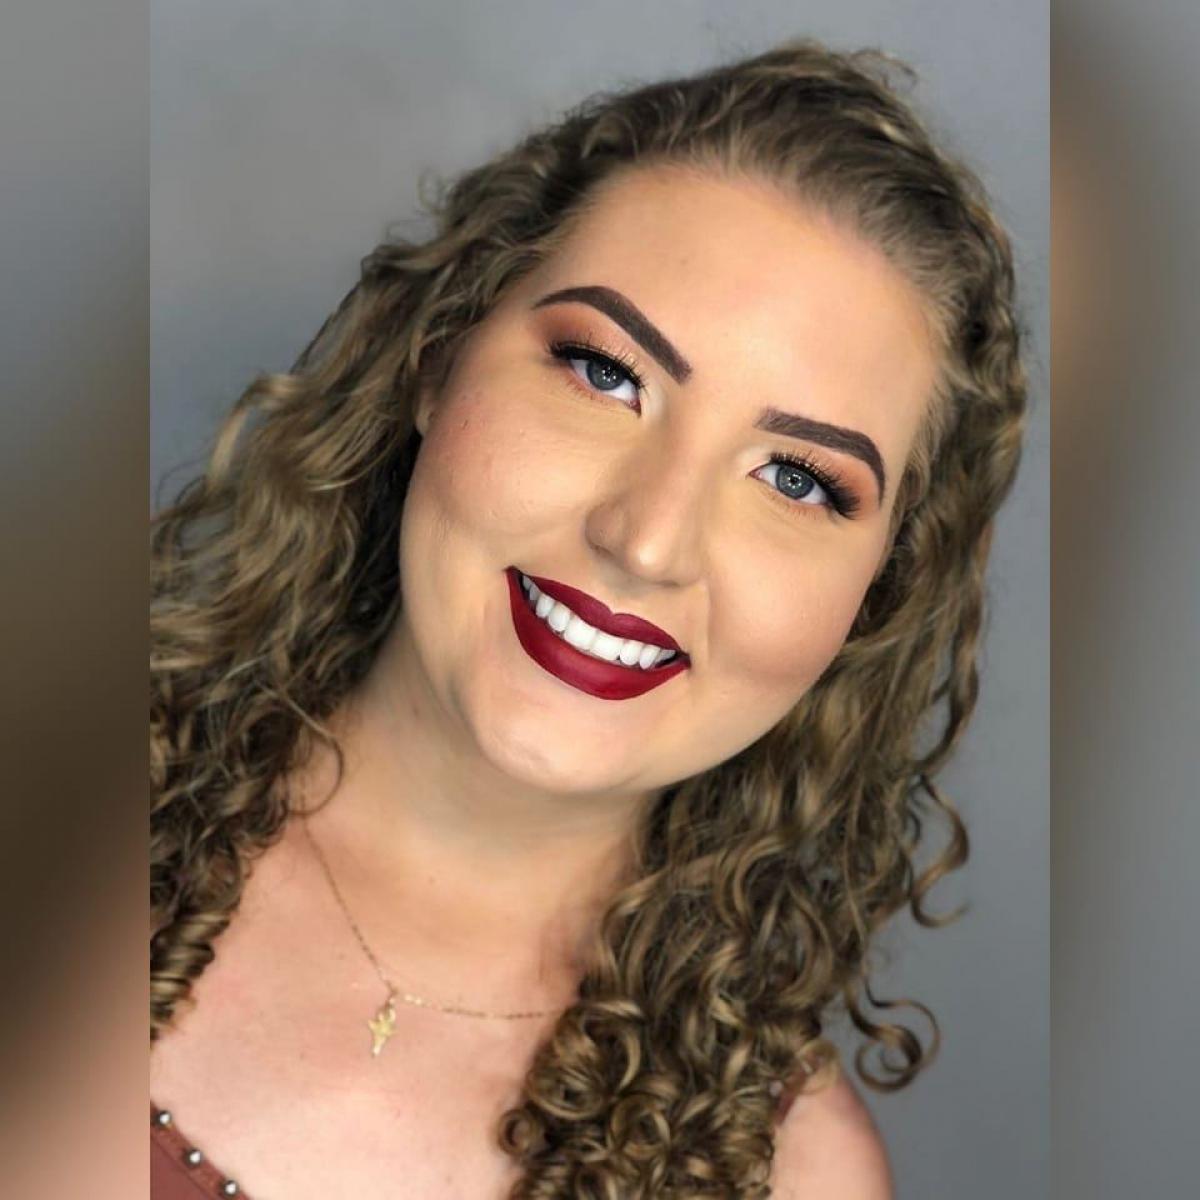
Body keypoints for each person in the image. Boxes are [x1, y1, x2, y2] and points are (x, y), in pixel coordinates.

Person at [150, 37, 1027, 1199]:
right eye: (608, 375)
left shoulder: (799, 1181)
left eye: (796, 479)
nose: (648, 540)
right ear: (438, 357)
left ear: (876, 594)